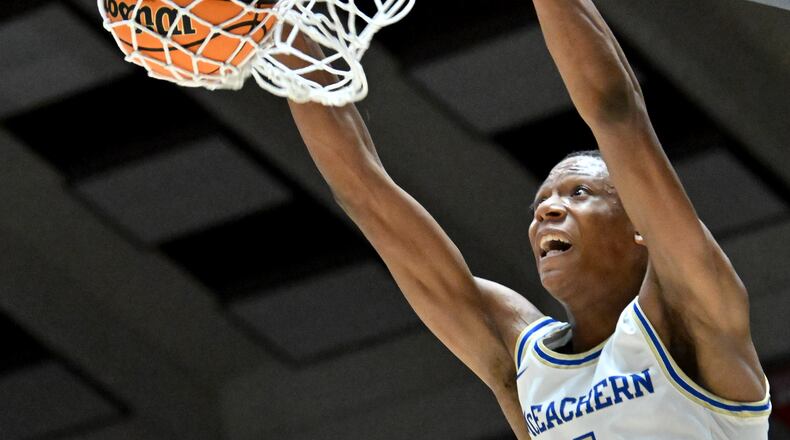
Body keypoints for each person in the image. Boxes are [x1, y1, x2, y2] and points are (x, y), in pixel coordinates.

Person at [283, 0, 771, 438]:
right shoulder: (524, 358)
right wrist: (282, 35)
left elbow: (617, 113)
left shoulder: (694, 310)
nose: (547, 210)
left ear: (640, 227)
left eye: (579, 193)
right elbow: (365, 194)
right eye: (541, 203)